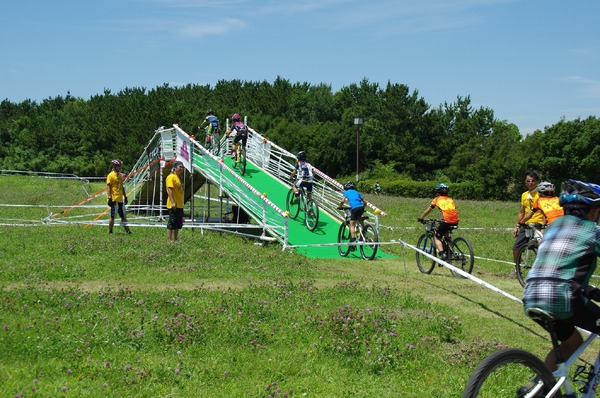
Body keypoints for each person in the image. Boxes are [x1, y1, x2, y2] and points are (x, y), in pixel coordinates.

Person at [522, 179, 600, 372]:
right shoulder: (593, 231)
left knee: (571, 343)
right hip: (563, 297)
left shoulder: (552, 229)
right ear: (594, 211)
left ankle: (540, 387)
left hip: (531, 294)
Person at [417, 183, 459, 260]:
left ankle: (442, 254)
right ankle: (450, 249)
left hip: (447, 221)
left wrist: (421, 218)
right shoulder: (450, 199)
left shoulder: (436, 199)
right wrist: (442, 219)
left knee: (437, 237)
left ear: (438, 192)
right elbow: (450, 211)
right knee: (446, 235)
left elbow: (429, 209)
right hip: (455, 220)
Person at [512, 171, 544, 264]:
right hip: (526, 224)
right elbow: (522, 212)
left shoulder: (541, 194)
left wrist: (543, 226)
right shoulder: (524, 195)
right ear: (525, 182)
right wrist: (516, 226)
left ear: (537, 182)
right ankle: (517, 269)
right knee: (516, 248)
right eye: (528, 181)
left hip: (539, 224)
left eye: (533, 181)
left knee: (540, 248)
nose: (530, 183)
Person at [338, 181, 366, 250]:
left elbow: (342, 201)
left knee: (352, 225)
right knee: (359, 218)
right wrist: (363, 208)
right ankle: (364, 231)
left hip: (354, 208)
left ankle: (353, 240)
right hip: (361, 207)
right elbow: (365, 202)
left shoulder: (346, 192)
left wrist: (340, 206)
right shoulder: (357, 192)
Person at [106, 159, 131, 235]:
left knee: (123, 216)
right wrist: (109, 197)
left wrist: (125, 196)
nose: (119, 167)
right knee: (113, 216)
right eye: (118, 166)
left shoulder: (120, 175)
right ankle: (110, 231)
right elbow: (108, 187)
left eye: (120, 166)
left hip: (120, 199)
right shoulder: (110, 175)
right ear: (114, 166)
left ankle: (128, 231)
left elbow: (122, 186)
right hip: (114, 199)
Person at [166, 160, 185, 241]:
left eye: (182, 167)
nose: (181, 169)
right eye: (180, 167)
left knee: (177, 224)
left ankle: (175, 239)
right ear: (175, 168)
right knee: (172, 223)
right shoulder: (171, 177)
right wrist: (173, 202)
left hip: (180, 204)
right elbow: (169, 190)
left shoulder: (178, 178)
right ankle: (169, 240)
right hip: (173, 204)